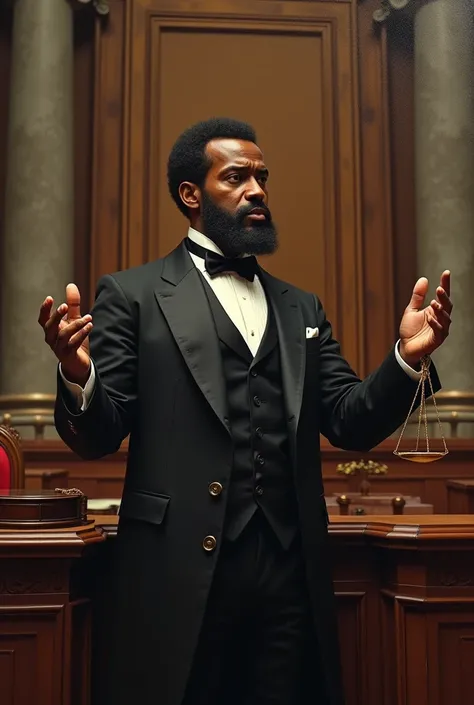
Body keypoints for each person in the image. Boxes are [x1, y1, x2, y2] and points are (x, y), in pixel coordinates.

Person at [38, 118, 452, 705]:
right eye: (236, 177)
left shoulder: (300, 306)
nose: (257, 189)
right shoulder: (132, 295)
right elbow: (100, 434)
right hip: (176, 569)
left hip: (290, 572)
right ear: (191, 195)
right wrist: (79, 375)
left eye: (262, 176)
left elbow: (349, 419)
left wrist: (406, 360)